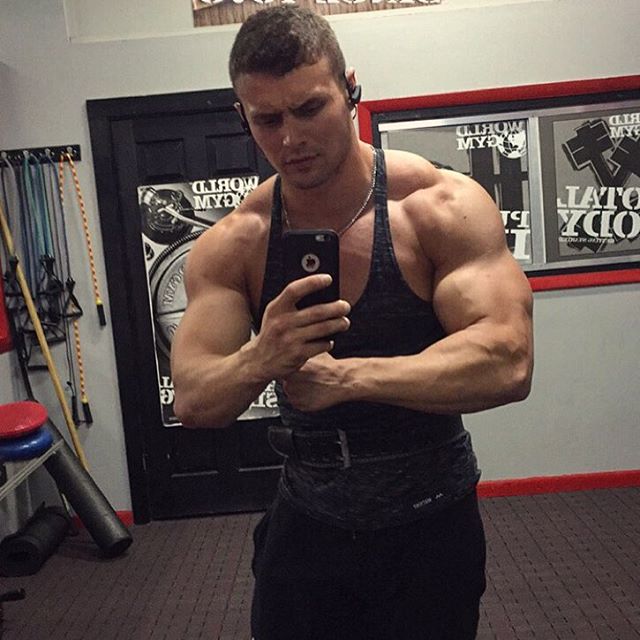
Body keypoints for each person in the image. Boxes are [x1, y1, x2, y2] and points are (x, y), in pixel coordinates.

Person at [171, 6, 534, 639]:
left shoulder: (436, 207)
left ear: (350, 90)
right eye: (268, 120)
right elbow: (195, 401)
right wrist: (261, 357)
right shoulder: (237, 242)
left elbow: (509, 361)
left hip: (430, 519)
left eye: (309, 108)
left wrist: (349, 379)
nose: (291, 139)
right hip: (308, 524)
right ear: (242, 117)